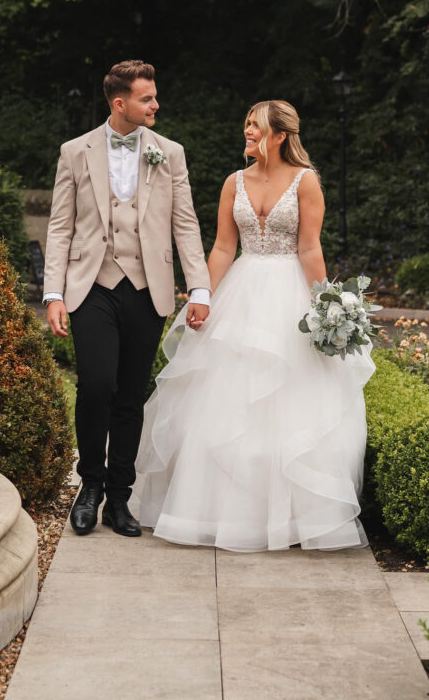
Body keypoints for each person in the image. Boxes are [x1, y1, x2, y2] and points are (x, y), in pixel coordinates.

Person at [134, 100, 375, 551]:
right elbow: (224, 247)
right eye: (246, 124)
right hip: (239, 294)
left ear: (281, 135)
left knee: (289, 405)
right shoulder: (233, 182)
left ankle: (291, 520)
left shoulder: (306, 182)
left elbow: (309, 248)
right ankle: (218, 512)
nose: (247, 132)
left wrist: (324, 306)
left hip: (289, 296)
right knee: (224, 404)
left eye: (255, 126)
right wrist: (202, 295)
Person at [44, 60, 210, 538]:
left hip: (146, 287)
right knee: (96, 385)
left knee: (132, 395)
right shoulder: (75, 152)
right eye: (147, 98)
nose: (156, 104)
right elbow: (60, 226)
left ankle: (120, 498)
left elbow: (185, 223)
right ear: (120, 103)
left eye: (154, 96)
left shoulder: (170, 153)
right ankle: (89, 487)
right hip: (90, 284)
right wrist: (53, 292)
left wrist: (198, 287)